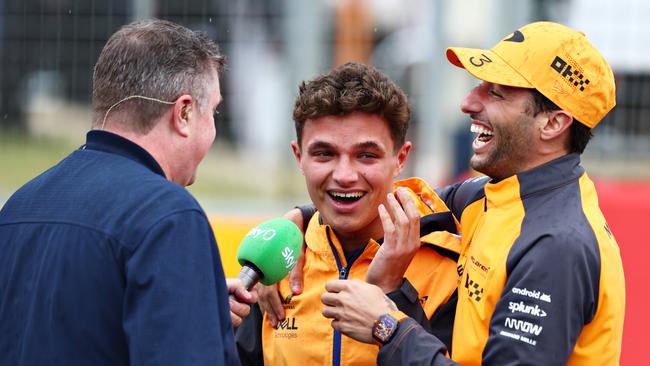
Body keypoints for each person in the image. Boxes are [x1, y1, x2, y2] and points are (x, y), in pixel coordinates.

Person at [316, 22, 626, 365]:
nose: (468, 102)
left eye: (496, 92)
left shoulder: (555, 245)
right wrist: (296, 230)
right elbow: (379, 202)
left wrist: (387, 325)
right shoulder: (499, 193)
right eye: (480, 84)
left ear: (553, 124)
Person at [0, 19, 253, 365]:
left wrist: (194, 313)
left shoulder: (19, 206)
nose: (213, 128)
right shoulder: (168, 216)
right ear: (184, 113)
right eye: (213, 112)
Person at [236, 62, 462, 365]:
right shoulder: (275, 263)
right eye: (324, 154)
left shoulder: (451, 268)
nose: (344, 175)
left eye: (366, 155)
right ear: (299, 156)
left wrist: (394, 299)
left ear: (401, 158)